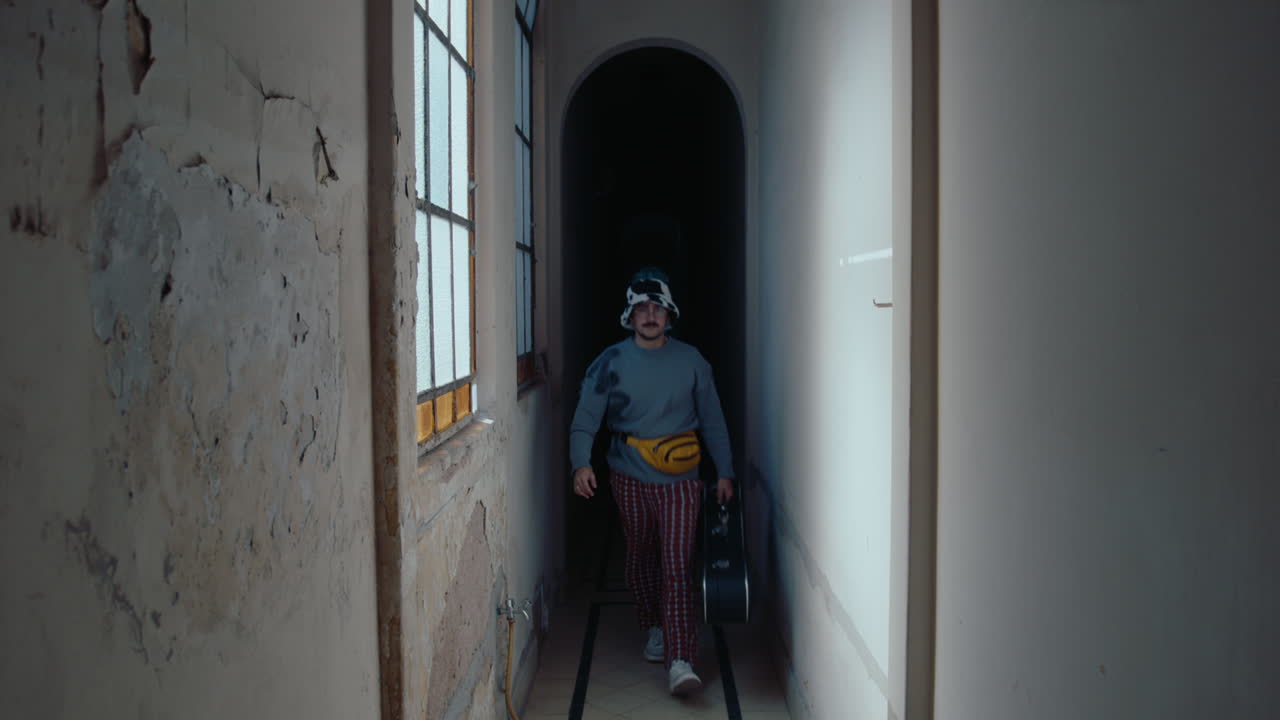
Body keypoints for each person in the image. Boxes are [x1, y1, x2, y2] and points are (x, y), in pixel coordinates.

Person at [569, 267, 735, 697]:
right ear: (629, 315)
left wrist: (725, 471)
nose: (649, 315)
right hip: (628, 476)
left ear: (669, 314)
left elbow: (714, 420)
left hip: (682, 480)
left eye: (656, 308)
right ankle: (654, 625)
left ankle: (680, 659)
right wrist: (580, 464)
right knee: (640, 558)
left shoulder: (693, 362)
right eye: (641, 308)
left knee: (677, 565)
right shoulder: (608, 363)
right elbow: (585, 419)